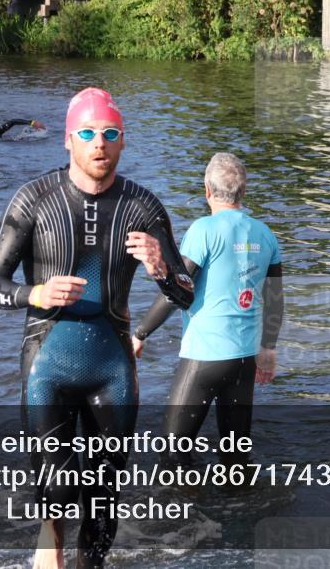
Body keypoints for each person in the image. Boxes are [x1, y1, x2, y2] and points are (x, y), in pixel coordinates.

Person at [0, 87, 194, 569]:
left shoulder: (143, 206)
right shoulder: (34, 200)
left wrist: (162, 270)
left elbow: (186, 295)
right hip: (47, 364)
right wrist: (34, 294)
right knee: (57, 488)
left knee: (103, 499)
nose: (100, 143)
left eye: (110, 134)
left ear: (123, 142)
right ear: (68, 139)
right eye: (88, 133)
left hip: (112, 368)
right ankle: (51, 538)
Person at [133, 153, 283, 468]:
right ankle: (238, 499)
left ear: (207, 190)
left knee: (173, 452)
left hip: (205, 356)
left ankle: (189, 499)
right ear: (243, 191)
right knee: (235, 456)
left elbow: (177, 291)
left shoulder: (203, 230)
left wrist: (140, 333)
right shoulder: (265, 234)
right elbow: (275, 299)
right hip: (245, 358)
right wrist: (268, 348)